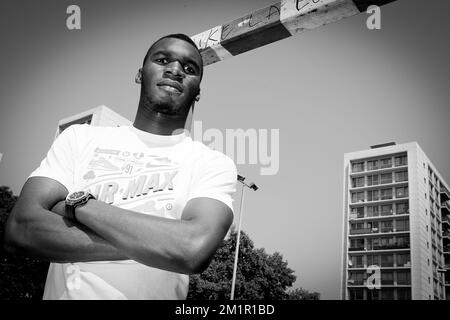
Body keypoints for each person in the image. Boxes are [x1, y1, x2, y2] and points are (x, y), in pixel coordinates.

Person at [4, 34, 237, 300]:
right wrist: (157, 243)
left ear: (198, 92)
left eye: (190, 68)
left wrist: (77, 205)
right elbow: (21, 229)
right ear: (140, 74)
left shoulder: (212, 164)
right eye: (162, 60)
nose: (175, 70)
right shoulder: (80, 138)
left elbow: (192, 249)